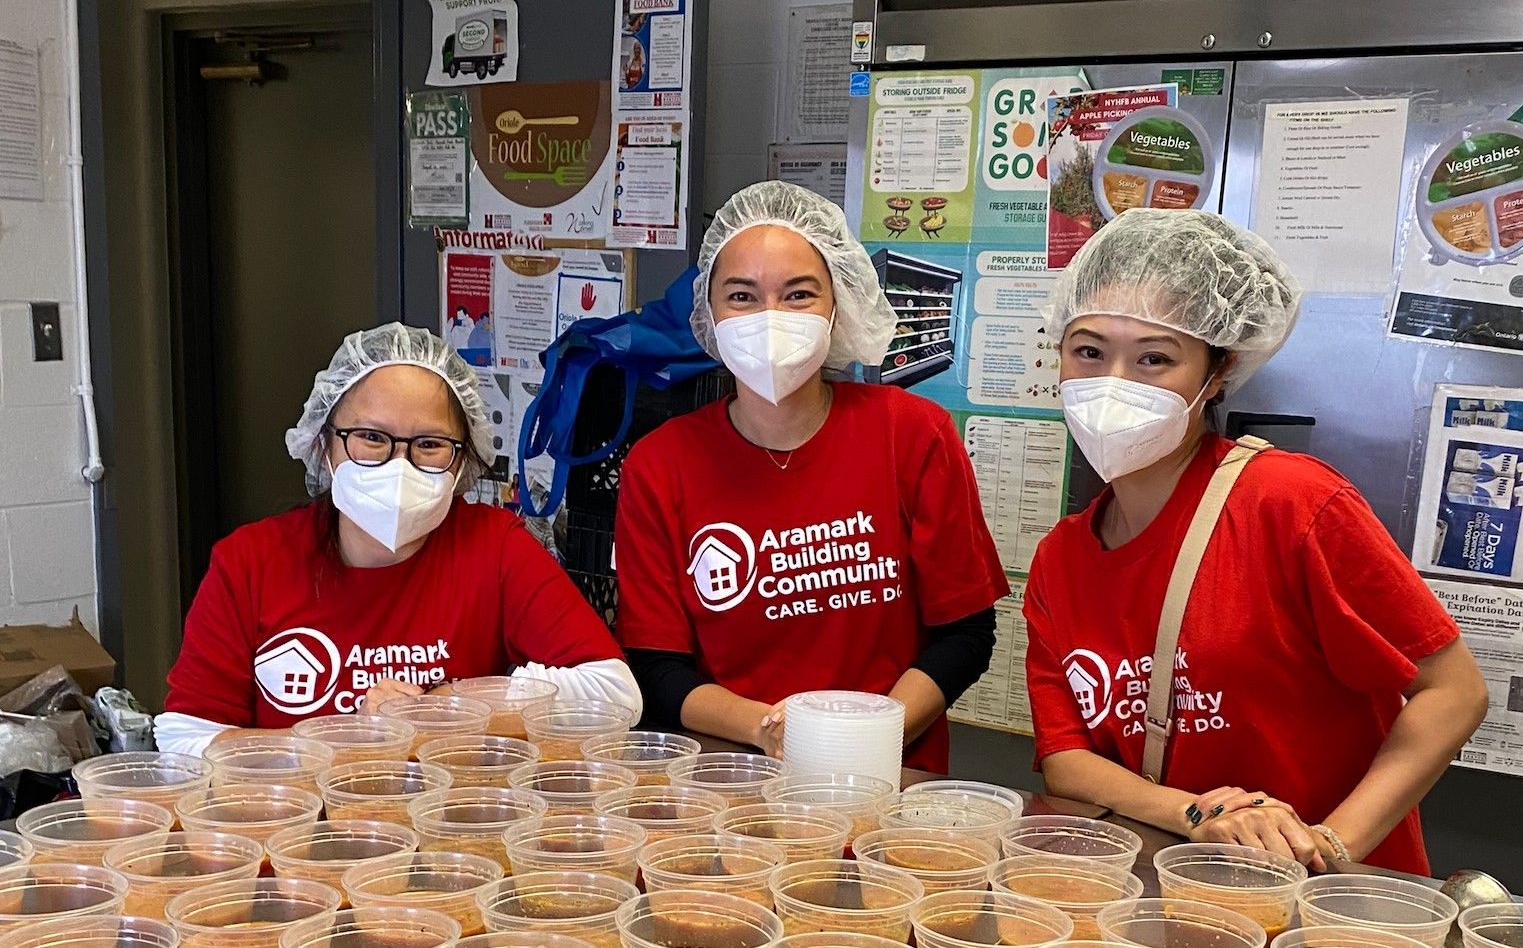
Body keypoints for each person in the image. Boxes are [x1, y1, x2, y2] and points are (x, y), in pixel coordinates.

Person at [1024, 208, 1488, 874]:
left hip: (1324, 906)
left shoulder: (1289, 504)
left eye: (1154, 358)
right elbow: (1068, 763)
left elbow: (1453, 691)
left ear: (1217, 373)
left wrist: (1325, 844)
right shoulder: (1062, 556)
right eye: (1088, 351)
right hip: (1171, 891)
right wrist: (1205, 816)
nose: (1114, 383)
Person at [614, 181, 1008, 772]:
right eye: (742, 296)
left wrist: (867, 740)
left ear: (838, 305)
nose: (769, 318)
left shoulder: (912, 434)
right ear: (710, 314)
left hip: (889, 780)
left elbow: (966, 634)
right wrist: (767, 730)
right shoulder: (661, 464)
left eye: (798, 294)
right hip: (732, 784)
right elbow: (657, 665)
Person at [155, 323, 640, 755]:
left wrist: (449, 709)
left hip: (453, 837)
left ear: (464, 459)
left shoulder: (495, 549)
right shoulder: (252, 562)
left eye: (429, 444)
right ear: (324, 444)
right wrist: (356, 740)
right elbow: (185, 740)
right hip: (300, 838)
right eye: (371, 437)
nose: (398, 464)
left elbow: (615, 693)